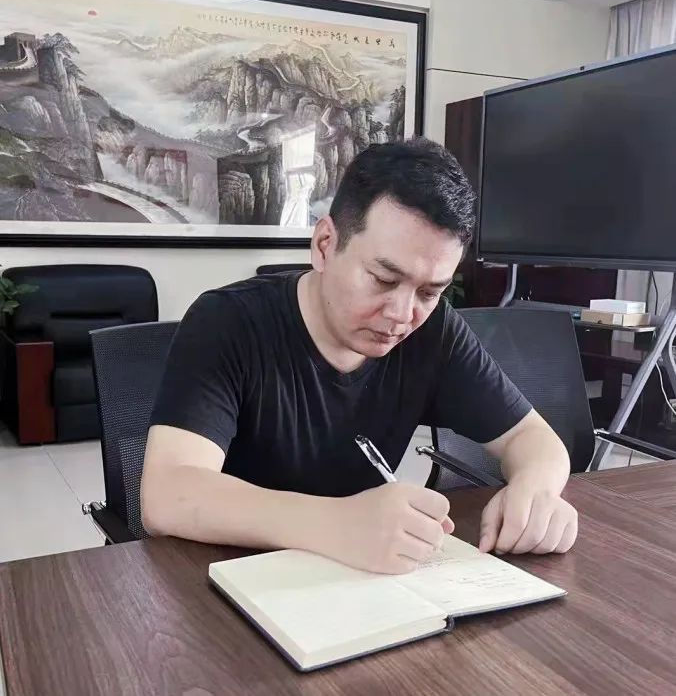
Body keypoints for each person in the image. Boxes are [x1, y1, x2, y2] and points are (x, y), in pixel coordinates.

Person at [141, 137, 577, 575]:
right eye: (383, 279)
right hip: (228, 577)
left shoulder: (434, 332)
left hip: (357, 580)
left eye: (429, 292)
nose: (402, 315)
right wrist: (336, 523)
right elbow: (167, 494)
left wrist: (536, 492)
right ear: (325, 245)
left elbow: (532, 439)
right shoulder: (227, 322)